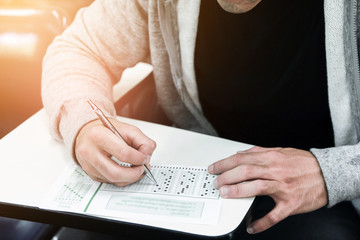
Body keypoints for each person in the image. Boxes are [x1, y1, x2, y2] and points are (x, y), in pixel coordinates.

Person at [41, 0, 360, 239]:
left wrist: (330, 173)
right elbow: (81, 48)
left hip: (327, 191)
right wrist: (85, 123)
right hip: (204, 174)